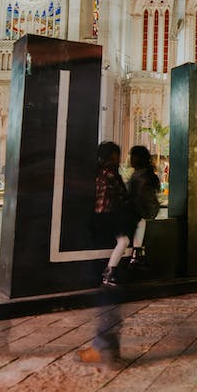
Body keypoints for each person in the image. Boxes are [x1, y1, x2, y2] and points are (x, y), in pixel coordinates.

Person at [80, 141, 135, 364]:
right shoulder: (111, 173)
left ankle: (105, 348)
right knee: (124, 240)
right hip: (111, 216)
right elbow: (122, 195)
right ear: (113, 156)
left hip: (97, 218)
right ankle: (111, 270)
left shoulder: (95, 172)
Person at [126, 144, 162, 265]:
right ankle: (138, 253)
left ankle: (137, 253)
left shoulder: (139, 176)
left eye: (132, 156)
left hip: (144, 211)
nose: (130, 159)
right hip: (147, 210)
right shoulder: (146, 174)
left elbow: (140, 200)